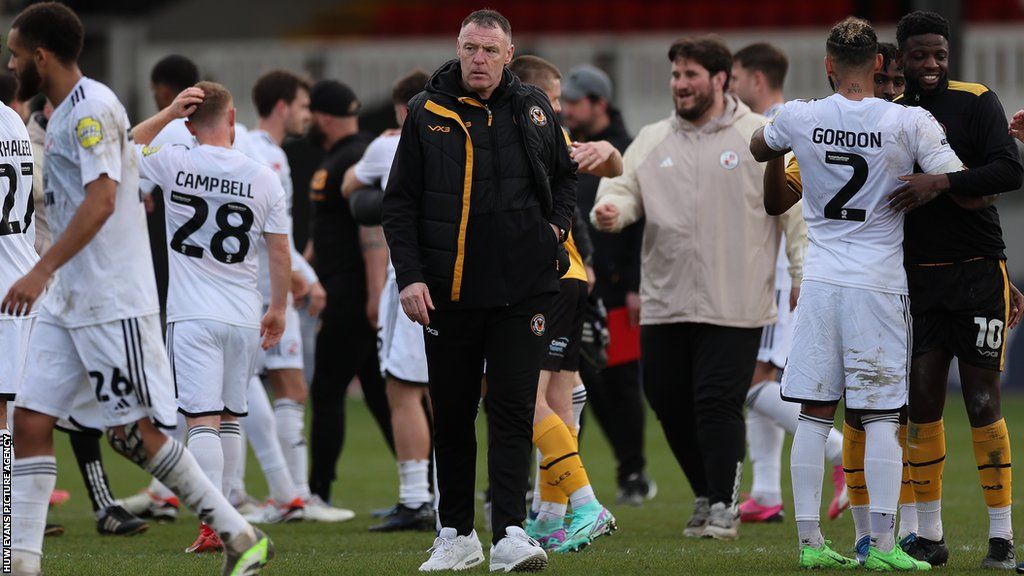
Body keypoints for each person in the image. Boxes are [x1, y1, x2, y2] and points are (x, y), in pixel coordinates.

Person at [4, 4, 272, 575]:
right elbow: (126, 155)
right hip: (67, 302)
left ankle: (237, 532)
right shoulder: (70, 111)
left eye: (15, 52)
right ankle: (20, 563)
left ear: (40, 56)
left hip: (110, 301)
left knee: (133, 435)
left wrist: (41, 268)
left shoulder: (92, 108)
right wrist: (167, 113)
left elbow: (103, 199)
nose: (11, 62)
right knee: (29, 420)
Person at [750, 15, 968, 571]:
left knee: (815, 416)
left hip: (821, 283)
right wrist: (929, 185)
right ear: (878, 64)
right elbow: (960, 181)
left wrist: (781, 134)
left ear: (827, 65)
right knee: (879, 419)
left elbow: (759, 145)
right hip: (878, 284)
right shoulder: (908, 121)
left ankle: (810, 546)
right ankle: (882, 545)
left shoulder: (801, 115)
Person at [383, 9, 576, 572]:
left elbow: (565, 178)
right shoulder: (427, 112)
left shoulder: (534, 107)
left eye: (490, 51)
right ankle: (456, 533)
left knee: (514, 408)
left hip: (527, 289)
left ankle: (511, 531)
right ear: (458, 48)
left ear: (510, 54)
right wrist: (411, 275)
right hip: (450, 291)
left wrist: (555, 231)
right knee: (452, 415)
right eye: (471, 48)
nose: (479, 60)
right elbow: (398, 204)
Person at [592, 35, 796, 541]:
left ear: (720, 79)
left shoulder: (763, 136)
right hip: (666, 300)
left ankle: (724, 504)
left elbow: (795, 214)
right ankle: (706, 492)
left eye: (690, 76)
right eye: (675, 75)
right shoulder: (652, 138)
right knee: (666, 400)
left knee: (716, 403)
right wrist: (611, 210)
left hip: (737, 300)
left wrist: (804, 271)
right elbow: (622, 189)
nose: (680, 85)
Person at [136, 81, 294, 553]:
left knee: (200, 420)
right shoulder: (263, 174)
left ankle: (213, 526)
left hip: (192, 314)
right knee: (229, 419)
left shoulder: (174, 159)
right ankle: (228, 517)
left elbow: (121, 144)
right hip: (245, 313)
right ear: (233, 119)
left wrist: (166, 114)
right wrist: (278, 309)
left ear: (189, 123)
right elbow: (280, 249)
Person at [893, 11, 1024, 568]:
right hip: (917, 275)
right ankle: (930, 534)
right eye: (920, 55)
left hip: (976, 271)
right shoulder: (888, 115)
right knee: (922, 404)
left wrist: (938, 182)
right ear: (900, 58)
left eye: (940, 55)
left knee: (979, 400)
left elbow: (1008, 173)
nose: (931, 65)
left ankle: (1002, 536)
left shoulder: (977, 100)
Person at [729, 41, 847, 525]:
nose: (730, 87)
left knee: (751, 381)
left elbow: (792, 204)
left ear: (757, 80)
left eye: (735, 78)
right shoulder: (791, 122)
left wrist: (797, 269)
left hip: (777, 276)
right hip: (773, 272)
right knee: (764, 378)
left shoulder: (780, 126)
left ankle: (839, 453)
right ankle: (764, 491)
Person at [506, 54, 617, 554]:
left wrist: (609, 152)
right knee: (557, 399)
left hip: (545, 280)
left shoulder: (525, 137)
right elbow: (614, 163)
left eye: (555, 102)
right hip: (568, 278)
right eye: (551, 100)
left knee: (522, 400)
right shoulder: (551, 137)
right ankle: (551, 521)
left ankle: (587, 505)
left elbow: (613, 163)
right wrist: (609, 152)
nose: (555, 110)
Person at [242, 69, 351, 523]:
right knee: (259, 388)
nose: (308, 116)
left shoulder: (251, 147)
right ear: (283, 107)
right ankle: (290, 495)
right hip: (264, 292)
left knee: (270, 387)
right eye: (304, 107)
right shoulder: (270, 158)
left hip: (262, 287)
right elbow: (272, 232)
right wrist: (305, 275)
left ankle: (291, 495)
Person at [341, 69, 437, 533]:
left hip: (412, 274)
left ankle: (417, 497)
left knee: (403, 389)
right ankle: (443, 493)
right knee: (446, 388)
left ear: (402, 109)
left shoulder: (388, 145)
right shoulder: (464, 135)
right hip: (457, 275)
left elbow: (347, 188)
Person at [561, 63, 655, 507]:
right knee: (586, 387)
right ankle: (567, 481)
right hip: (575, 281)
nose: (566, 109)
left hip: (617, 285)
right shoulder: (569, 147)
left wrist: (635, 282)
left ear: (599, 103)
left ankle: (633, 471)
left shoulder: (628, 148)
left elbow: (642, 218)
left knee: (618, 384)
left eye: (575, 102)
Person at [304, 79, 393, 506]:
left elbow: (371, 225)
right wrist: (303, 270)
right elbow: (327, 231)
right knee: (381, 395)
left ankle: (318, 492)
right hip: (346, 289)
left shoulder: (354, 156)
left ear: (321, 115)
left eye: (308, 110)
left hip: (352, 294)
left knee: (326, 391)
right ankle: (427, 487)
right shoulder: (342, 154)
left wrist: (375, 293)